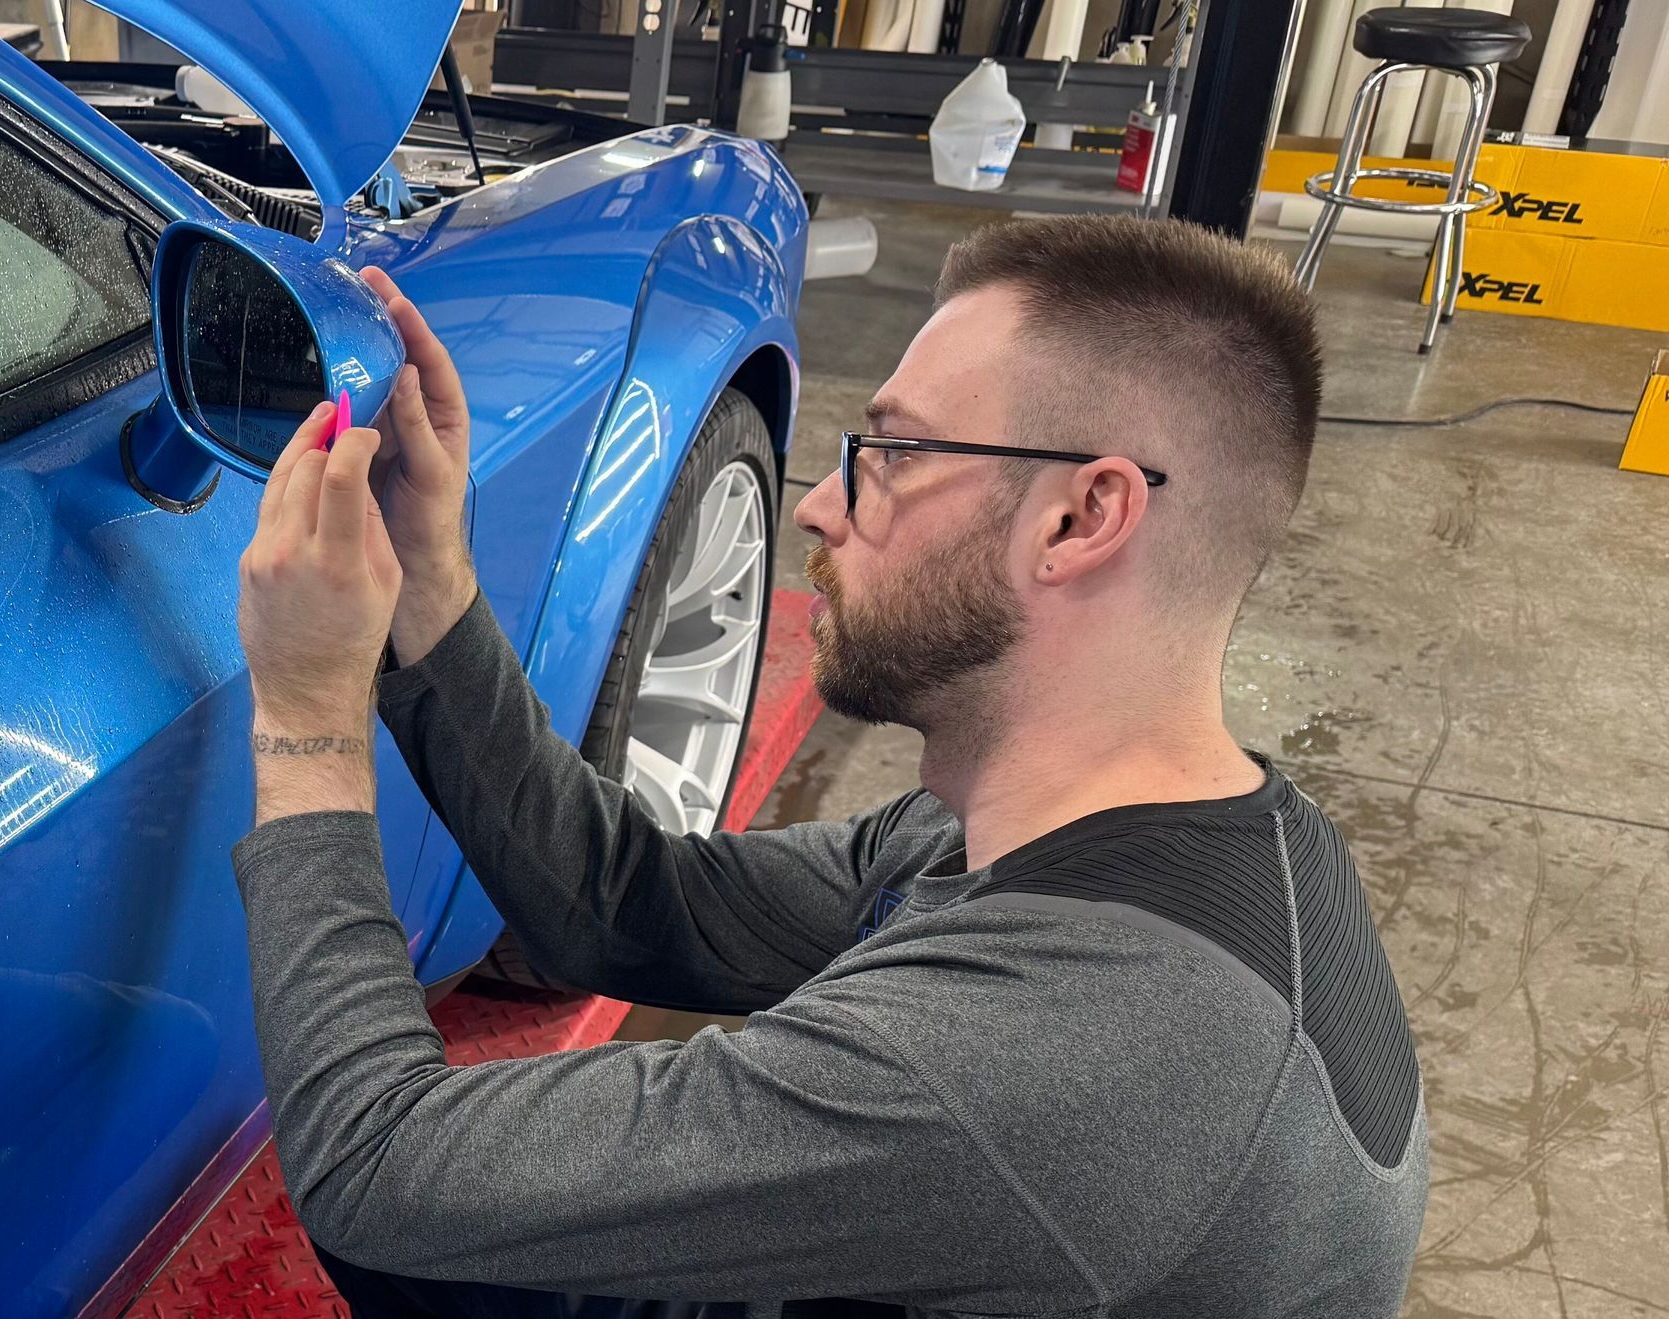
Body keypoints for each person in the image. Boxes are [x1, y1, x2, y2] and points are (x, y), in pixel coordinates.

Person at [230, 215, 1429, 1319]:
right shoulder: (1095, 830)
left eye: (896, 454)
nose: (817, 502)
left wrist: (305, 715)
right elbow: (633, 901)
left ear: (1079, 518)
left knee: (446, 1242)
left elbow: (378, 1168)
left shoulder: (1072, 1049)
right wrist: (430, 585)